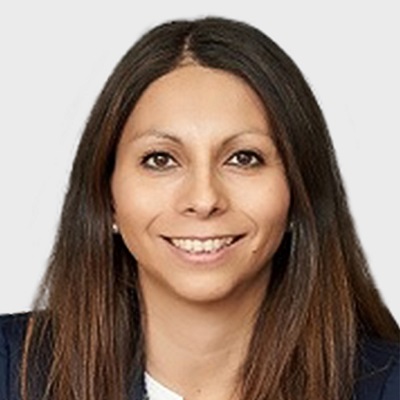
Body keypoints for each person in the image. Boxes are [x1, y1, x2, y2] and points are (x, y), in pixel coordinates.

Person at [0, 16, 398, 400]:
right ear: (107, 197)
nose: (204, 200)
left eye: (244, 158)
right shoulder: (9, 371)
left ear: (299, 190)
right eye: (160, 159)